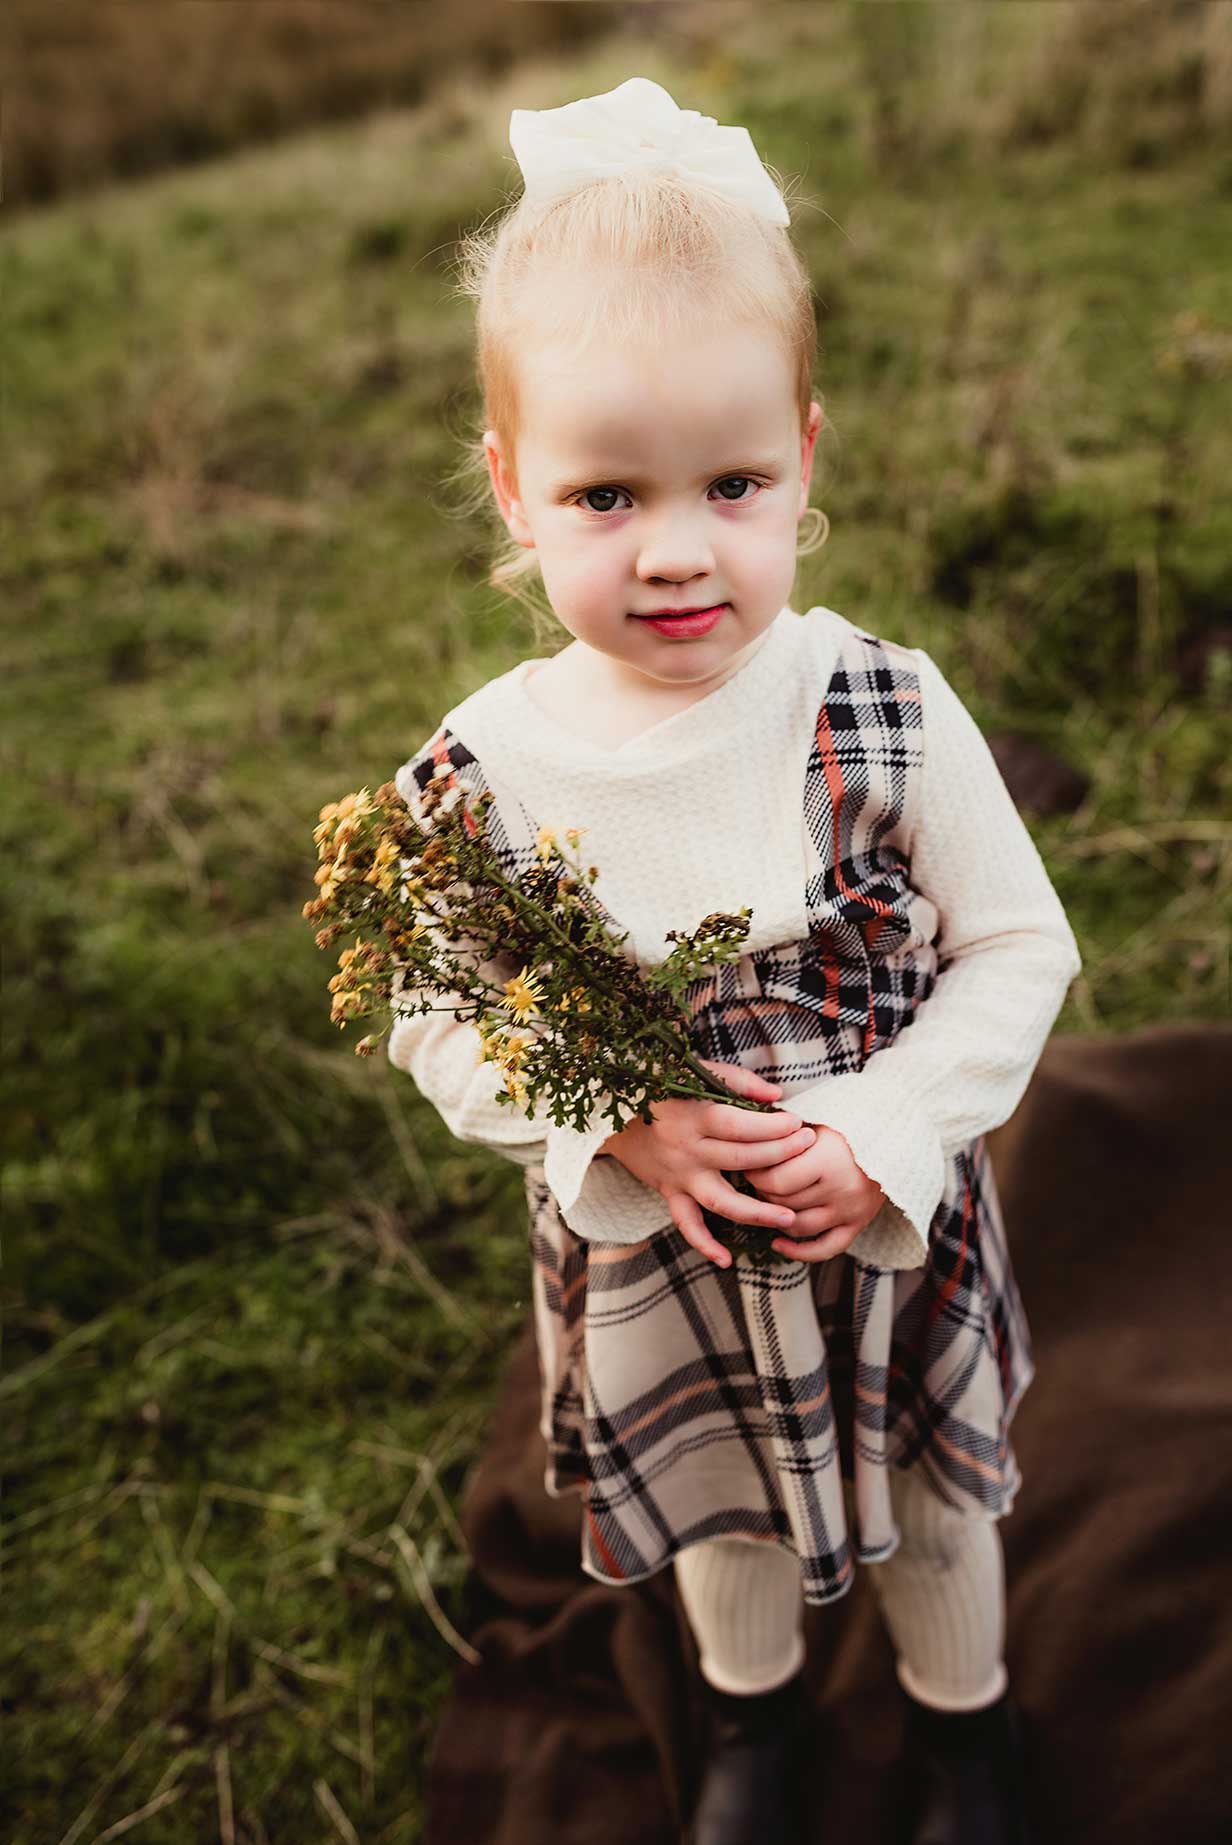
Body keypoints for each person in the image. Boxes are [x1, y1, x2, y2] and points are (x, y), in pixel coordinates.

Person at [387, 76, 1078, 1845]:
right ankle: (753, 1722)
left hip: (880, 1219)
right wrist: (618, 1114)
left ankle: (967, 1732)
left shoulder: (882, 706)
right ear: (511, 489)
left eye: (734, 481)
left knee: (936, 1500)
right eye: (606, 493)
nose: (680, 546)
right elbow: (436, 1002)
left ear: (807, 458)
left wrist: (891, 1128)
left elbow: (1018, 944)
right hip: (666, 1250)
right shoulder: (482, 775)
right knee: (718, 1507)